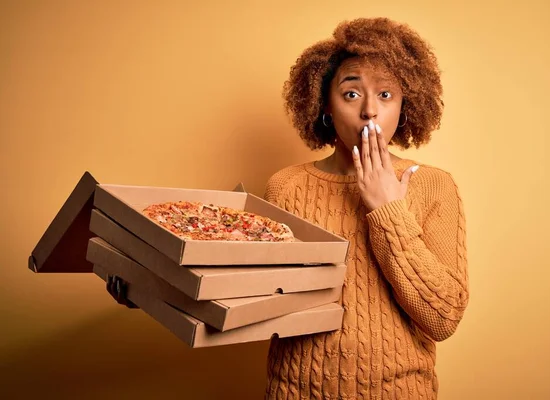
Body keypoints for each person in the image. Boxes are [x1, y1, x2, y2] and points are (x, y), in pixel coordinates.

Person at [109, 17, 469, 399]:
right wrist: (147, 288)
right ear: (325, 107)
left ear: (404, 106)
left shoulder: (433, 185)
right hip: (295, 391)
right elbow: (250, 295)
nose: (369, 111)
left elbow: (443, 318)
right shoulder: (287, 186)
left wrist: (387, 210)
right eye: (351, 94)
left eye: (385, 95)